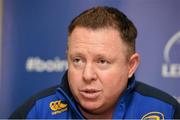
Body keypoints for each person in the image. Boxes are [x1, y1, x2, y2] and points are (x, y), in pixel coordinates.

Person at [10, 6, 180, 119]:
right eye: (77, 60)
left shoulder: (167, 111)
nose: (87, 75)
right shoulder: (37, 112)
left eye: (102, 61)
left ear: (131, 65)